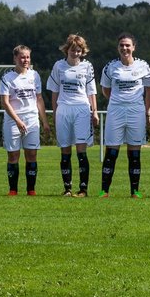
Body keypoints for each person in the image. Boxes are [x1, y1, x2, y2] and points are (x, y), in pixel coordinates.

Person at [99, 33, 150, 198]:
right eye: (121, 45)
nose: (124, 48)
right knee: (111, 151)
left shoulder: (143, 66)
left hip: (136, 111)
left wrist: (147, 110)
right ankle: (104, 191)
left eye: (127, 45)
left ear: (133, 47)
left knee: (135, 152)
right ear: (118, 48)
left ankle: (134, 191)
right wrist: (118, 101)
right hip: (115, 111)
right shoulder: (110, 67)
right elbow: (105, 89)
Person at [47, 34, 99, 197]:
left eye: (78, 50)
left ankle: (83, 189)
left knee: (81, 150)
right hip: (64, 110)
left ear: (82, 52)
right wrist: (55, 113)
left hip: (82, 109)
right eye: (72, 50)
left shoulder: (87, 66)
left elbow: (91, 91)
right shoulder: (59, 66)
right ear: (66, 50)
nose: (75, 53)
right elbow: (54, 91)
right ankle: (67, 188)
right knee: (65, 150)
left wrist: (95, 111)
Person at [0, 44, 47, 196]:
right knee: (13, 155)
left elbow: (39, 99)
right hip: (13, 121)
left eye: (27, 57)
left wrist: (45, 121)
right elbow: (5, 102)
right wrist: (18, 121)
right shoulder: (7, 78)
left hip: (32, 120)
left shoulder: (35, 75)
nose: (25, 60)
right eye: (22, 57)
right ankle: (13, 190)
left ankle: (31, 190)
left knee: (31, 154)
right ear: (15, 58)